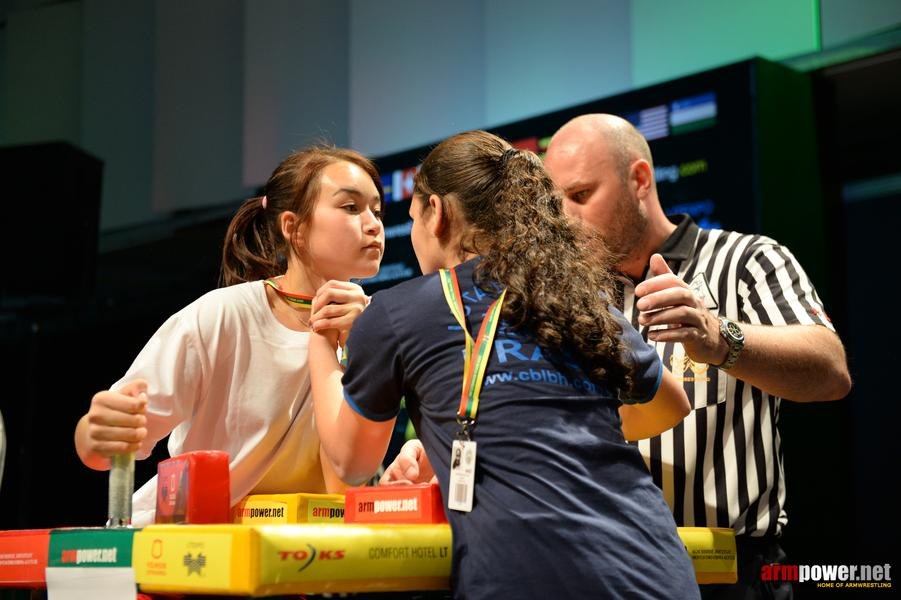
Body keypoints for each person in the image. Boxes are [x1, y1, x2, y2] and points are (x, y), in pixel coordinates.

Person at [308, 130, 699, 598]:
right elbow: (669, 406)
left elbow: (351, 461)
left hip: (531, 581)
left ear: (438, 214)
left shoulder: (395, 312)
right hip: (656, 568)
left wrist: (320, 336)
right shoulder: (578, 301)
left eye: (411, 219)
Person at [542, 114, 852, 598]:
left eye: (581, 196)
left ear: (640, 179)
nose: (567, 219)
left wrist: (719, 338)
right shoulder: (571, 299)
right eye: (556, 203)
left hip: (731, 573)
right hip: (607, 570)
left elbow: (831, 372)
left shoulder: (746, 259)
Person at [74, 146, 384, 526]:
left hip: (297, 557)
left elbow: (349, 478)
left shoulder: (378, 328)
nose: (374, 224)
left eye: (377, 211)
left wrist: (365, 343)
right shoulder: (222, 315)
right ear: (293, 227)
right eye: (352, 208)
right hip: (182, 548)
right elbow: (108, 444)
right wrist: (94, 433)